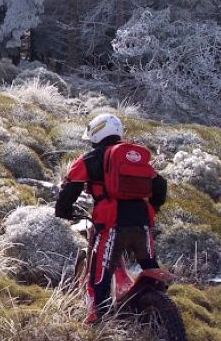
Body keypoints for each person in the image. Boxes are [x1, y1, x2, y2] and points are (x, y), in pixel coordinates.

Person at [55, 113, 167, 323]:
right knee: (151, 268)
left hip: (111, 224)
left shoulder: (91, 158)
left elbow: (70, 187)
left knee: (100, 280)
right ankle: (156, 314)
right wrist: (152, 208)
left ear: (97, 133)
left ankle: (99, 328)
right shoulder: (135, 157)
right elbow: (160, 185)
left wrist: (63, 210)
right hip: (142, 222)